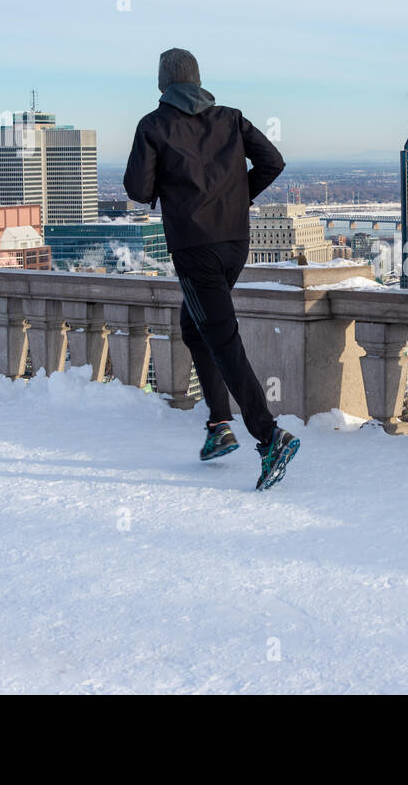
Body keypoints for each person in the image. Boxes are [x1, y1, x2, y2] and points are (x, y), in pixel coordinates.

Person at [123, 48, 299, 490]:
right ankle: (219, 425)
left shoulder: (154, 125)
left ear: (163, 82)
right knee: (194, 327)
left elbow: (137, 189)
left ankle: (268, 436)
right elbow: (273, 162)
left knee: (222, 340)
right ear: (198, 79)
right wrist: (240, 195)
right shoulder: (231, 118)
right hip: (235, 242)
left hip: (194, 245)